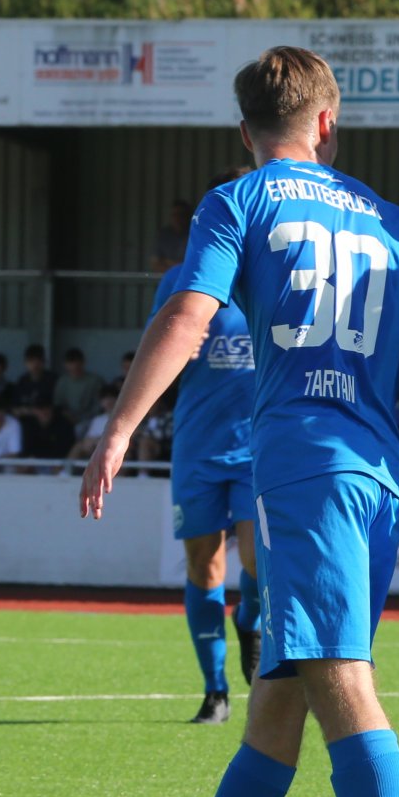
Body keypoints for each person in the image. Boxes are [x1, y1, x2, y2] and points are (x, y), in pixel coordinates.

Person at [90, 46, 399, 797]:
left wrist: (118, 429)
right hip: (378, 470)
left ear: (246, 130)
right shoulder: (390, 217)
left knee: (339, 672)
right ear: (327, 122)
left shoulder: (240, 200)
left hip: (303, 466)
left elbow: (188, 315)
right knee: (281, 695)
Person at [149, 165, 265, 723]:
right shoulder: (180, 279)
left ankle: (250, 620)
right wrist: (175, 353)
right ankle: (215, 690)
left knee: (260, 564)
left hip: (259, 448)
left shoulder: (279, 275)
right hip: (198, 445)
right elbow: (156, 351)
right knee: (203, 564)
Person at [53, 348, 104, 431]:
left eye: (77, 362)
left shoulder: (95, 381)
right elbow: (58, 404)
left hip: (89, 420)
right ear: (65, 364)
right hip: (67, 419)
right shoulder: (62, 381)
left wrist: (83, 418)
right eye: (71, 362)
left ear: (83, 363)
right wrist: (68, 416)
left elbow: (99, 405)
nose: (74, 366)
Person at [12, 345, 56, 417]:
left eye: (39, 361)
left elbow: (55, 408)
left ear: (44, 362)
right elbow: (15, 409)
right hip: (25, 421)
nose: (35, 365)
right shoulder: (22, 381)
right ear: (26, 362)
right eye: (31, 361)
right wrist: (31, 411)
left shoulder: (53, 380)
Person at [152, 200, 194, 273]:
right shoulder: (163, 235)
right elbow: (155, 263)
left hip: (188, 276)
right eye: (175, 214)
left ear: (188, 216)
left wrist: (169, 262)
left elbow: (196, 262)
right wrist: (173, 272)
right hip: (166, 276)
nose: (178, 218)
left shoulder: (194, 234)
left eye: (181, 214)